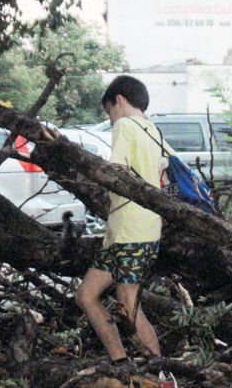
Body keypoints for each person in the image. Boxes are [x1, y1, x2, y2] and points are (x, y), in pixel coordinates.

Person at [74, 75, 173, 381]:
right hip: (127, 230)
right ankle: (120, 362)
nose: (110, 119)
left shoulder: (125, 125)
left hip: (133, 229)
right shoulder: (153, 130)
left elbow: (116, 172)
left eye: (109, 112)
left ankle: (161, 377)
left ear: (118, 100)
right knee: (87, 294)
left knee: (129, 303)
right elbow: (163, 175)